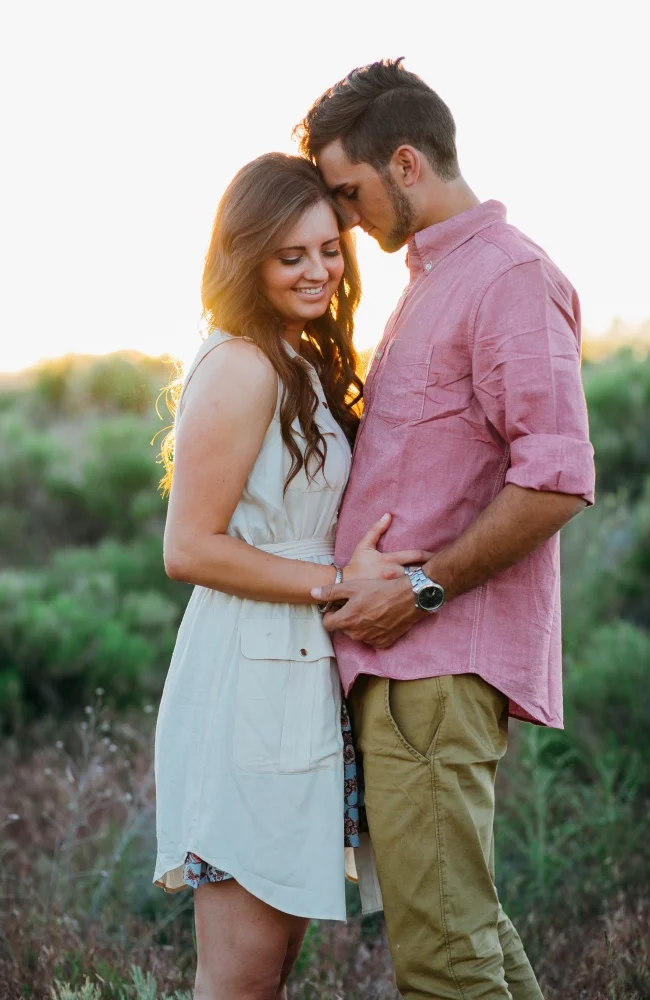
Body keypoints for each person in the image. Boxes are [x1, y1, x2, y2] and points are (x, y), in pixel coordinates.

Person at [298, 59, 596, 1000]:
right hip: (402, 668)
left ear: (406, 162)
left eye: (349, 191)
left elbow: (556, 479)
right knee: (469, 935)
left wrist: (421, 589)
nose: (344, 217)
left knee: (442, 960)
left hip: (434, 664)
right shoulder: (432, 281)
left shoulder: (508, 279)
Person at [152, 152, 429, 1000]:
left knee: (266, 976)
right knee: (238, 982)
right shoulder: (240, 365)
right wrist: (339, 583)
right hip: (248, 687)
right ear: (248, 258)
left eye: (328, 249)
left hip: (296, 681)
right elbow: (188, 548)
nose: (318, 270)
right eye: (290, 255)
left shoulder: (293, 358)